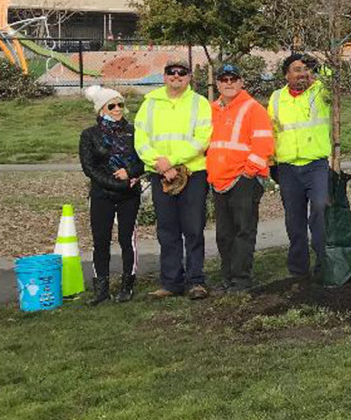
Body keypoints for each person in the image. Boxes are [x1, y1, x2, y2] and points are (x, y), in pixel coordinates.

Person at [134, 58, 212, 299]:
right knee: (167, 230)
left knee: (193, 228)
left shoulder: (200, 103)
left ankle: (195, 281)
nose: (176, 76)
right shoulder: (150, 103)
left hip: (192, 173)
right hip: (161, 173)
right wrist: (159, 163)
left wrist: (174, 161)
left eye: (182, 72)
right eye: (171, 72)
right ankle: (171, 282)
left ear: (189, 77)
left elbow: (202, 138)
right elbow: (141, 138)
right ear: (164, 76)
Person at [206, 64, 274, 293]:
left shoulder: (253, 109)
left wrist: (249, 171)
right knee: (224, 234)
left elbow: (264, 143)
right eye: (224, 79)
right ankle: (227, 278)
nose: (228, 83)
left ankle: (241, 280)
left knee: (243, 231)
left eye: (233, 79)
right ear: (217, 84)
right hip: (219, 180)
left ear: (241, 82)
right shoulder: (212, 109)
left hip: (244, 179)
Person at [79, 85, 145, 305]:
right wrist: (116, 184)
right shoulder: (89, 135)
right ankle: (101, 288)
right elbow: (89, 168)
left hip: (129, 195)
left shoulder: (134, 131)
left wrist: (132, 173)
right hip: (102, 194)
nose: (118, 109)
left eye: (120, 105)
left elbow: (144, 158)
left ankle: (127, 285)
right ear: (101, 110)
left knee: (128, 240)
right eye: (112, 105)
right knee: (101, 241)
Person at [268, 53, 331, 278]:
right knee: (294, 219)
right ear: (286, 75)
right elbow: (271, 132)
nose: (302, 73)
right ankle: (298, 270)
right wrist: (271, 162)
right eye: (297, 69)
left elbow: (335, 78)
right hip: (287, 168)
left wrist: (319, 66)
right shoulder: (276, 98)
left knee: (320, 211)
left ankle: (324, 264)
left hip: (316, 165)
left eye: (306, 69)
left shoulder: (320, 91)